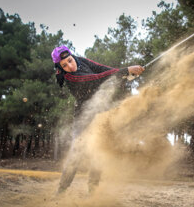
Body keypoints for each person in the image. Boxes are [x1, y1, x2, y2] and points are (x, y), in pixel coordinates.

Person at [51, 45, 144, 194]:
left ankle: (93, 192)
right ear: (60, 68)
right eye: (64, 65)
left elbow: (101, 69)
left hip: (101, 112)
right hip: (84, 117)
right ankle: (61, 191)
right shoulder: (71, 77)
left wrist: (125, 75)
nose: (70, 66)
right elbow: (96, 79)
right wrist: (125, 71)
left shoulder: (80, 60)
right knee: (76, 153)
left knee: (99, 151)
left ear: (72, 56)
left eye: (69, 60)